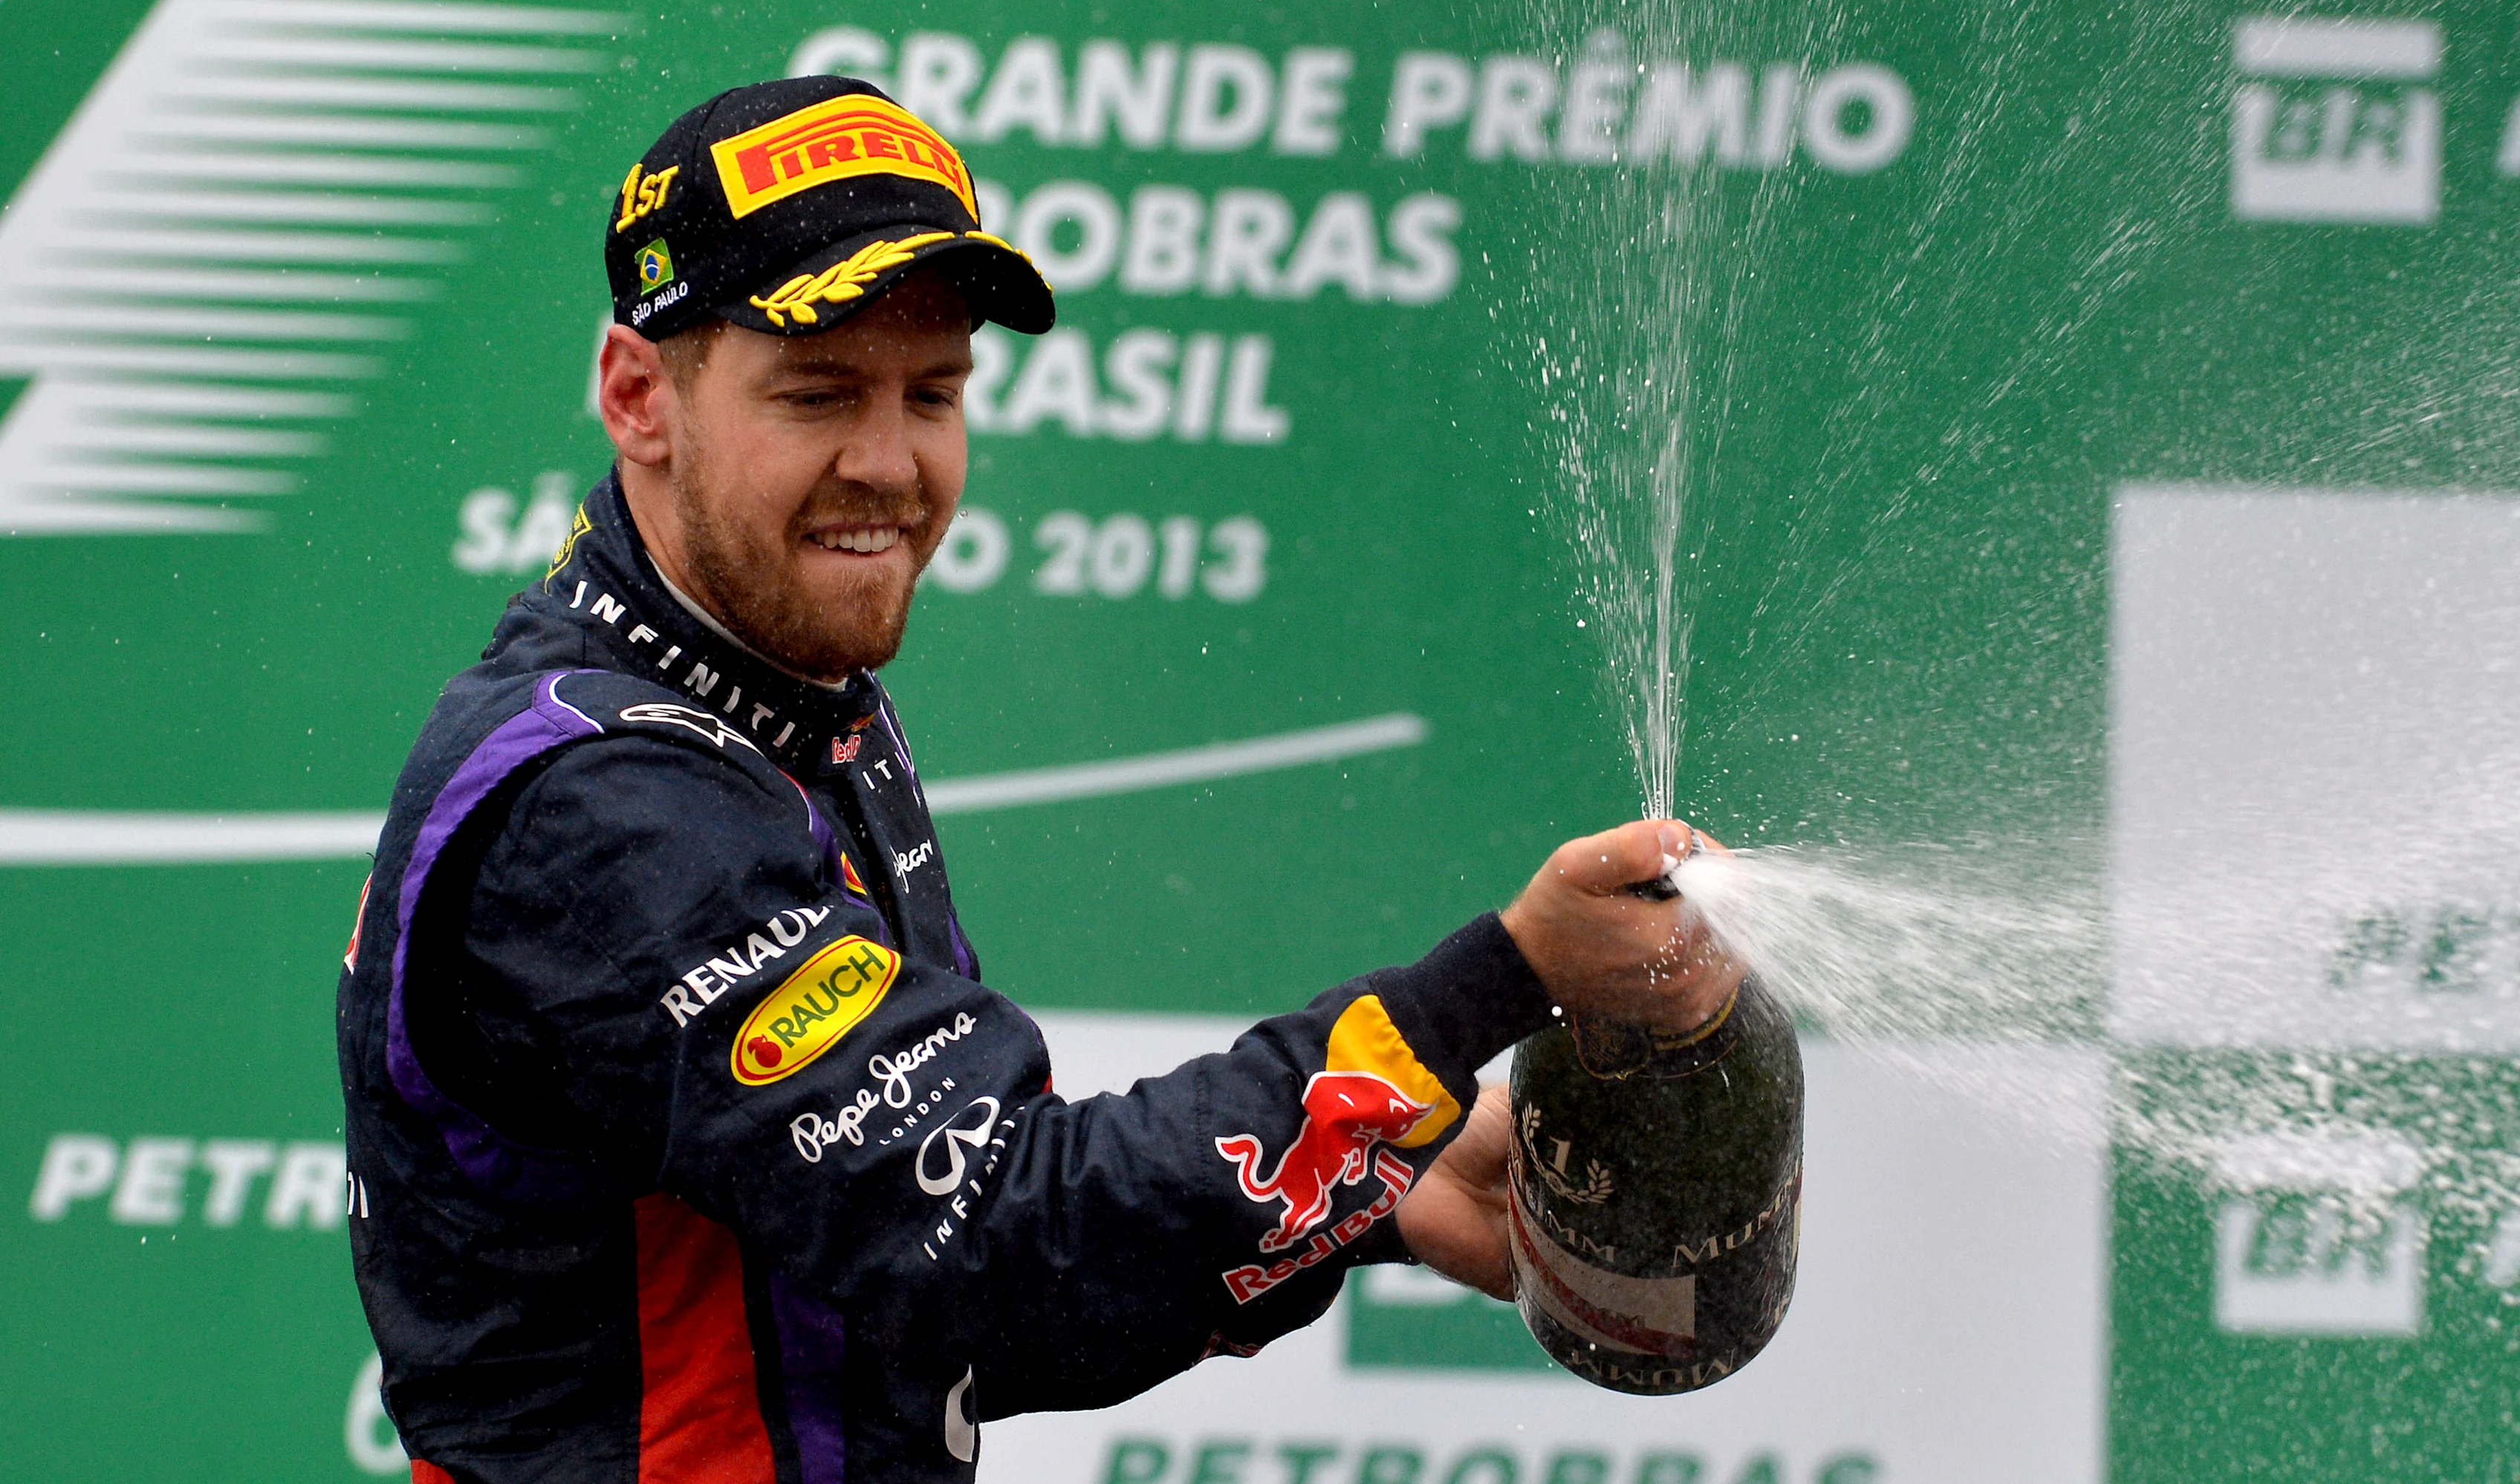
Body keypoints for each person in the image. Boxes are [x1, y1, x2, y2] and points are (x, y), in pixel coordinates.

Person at [337, 77, 1741, 1484]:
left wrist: (1377, 1186)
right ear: (640, 396)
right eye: (817, 393)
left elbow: (916, 1268)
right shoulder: (605, 806)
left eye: (931, 394)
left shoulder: (781, 696)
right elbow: (1004, 1254)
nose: (887, 463)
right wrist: (1483, 993)